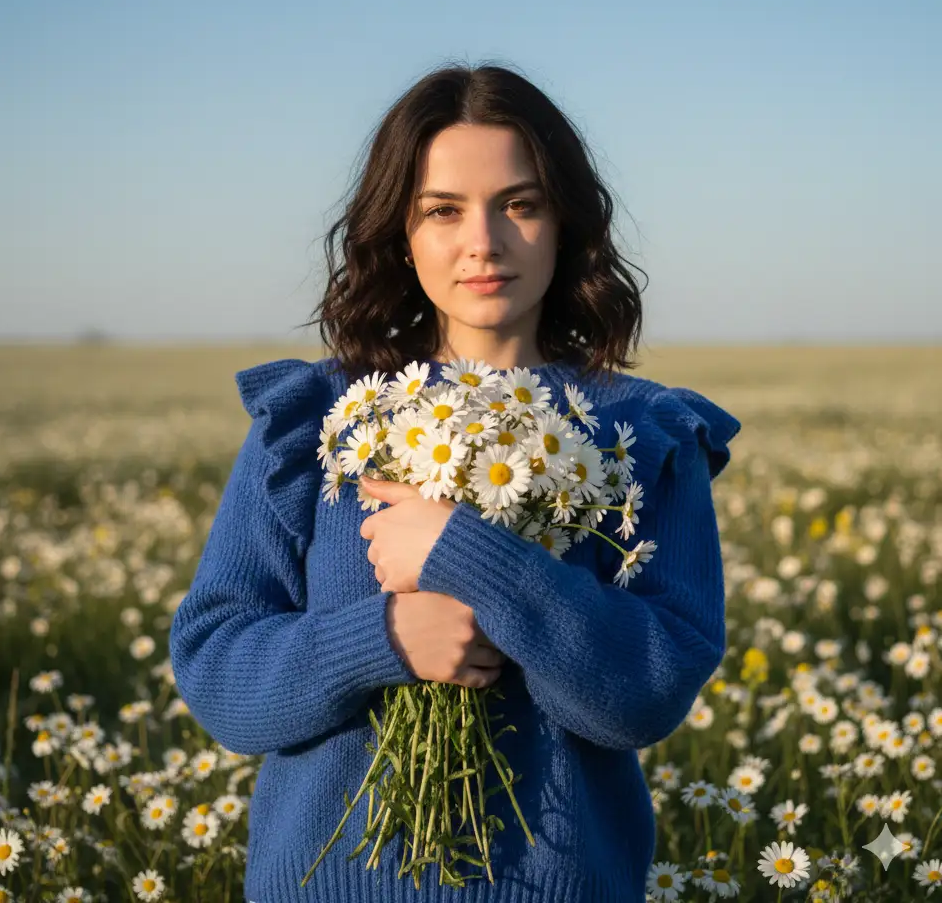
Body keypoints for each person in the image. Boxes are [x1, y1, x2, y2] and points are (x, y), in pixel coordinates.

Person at [169, 62, 742, 902]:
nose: (484, 242)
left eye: (521, 203)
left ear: (565, 222)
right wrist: (387, 638)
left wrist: (465, 555)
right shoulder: (320, 419)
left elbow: (643, 698)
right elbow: (218, 673)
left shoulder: (644, 434)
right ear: (400, 231)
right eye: (443, 209)